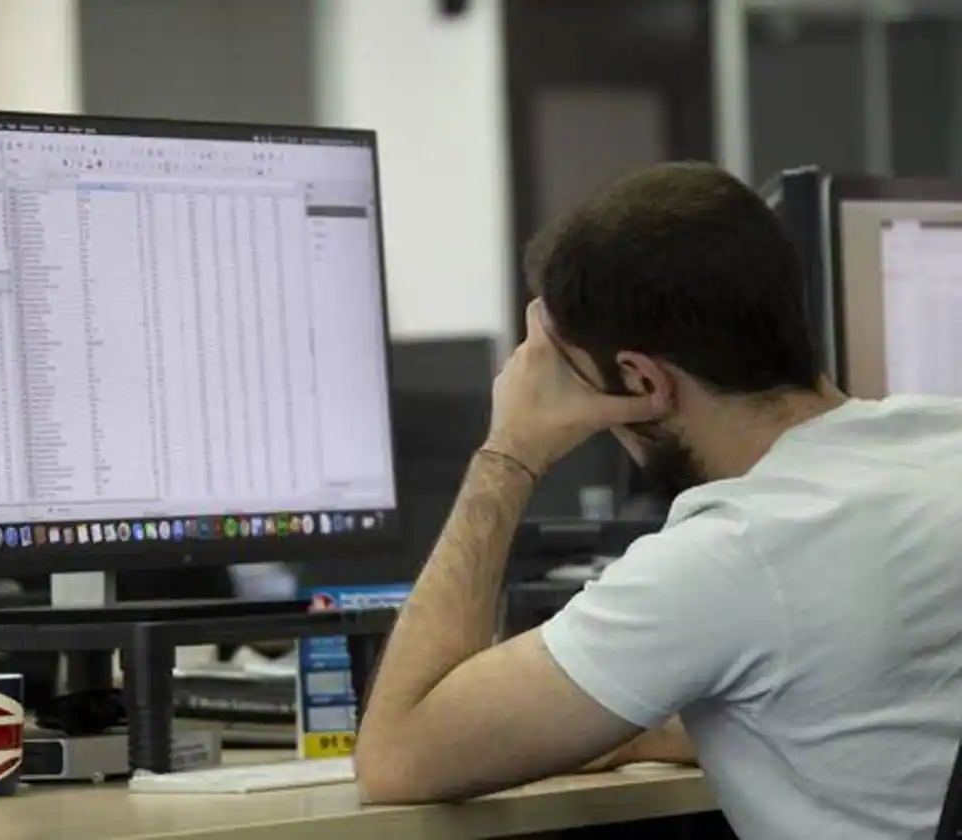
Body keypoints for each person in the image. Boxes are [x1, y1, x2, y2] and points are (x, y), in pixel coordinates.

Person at [353, 161, 962, 840]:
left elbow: (397, 756)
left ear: (643, 379)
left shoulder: (735, 548)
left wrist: (509, 451)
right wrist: (657, 727)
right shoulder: (943, 441)